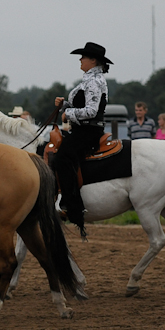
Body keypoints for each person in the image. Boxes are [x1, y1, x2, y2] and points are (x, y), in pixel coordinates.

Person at [52, 41, 113, 237]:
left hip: (88, 132)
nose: (80, 59)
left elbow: (91, 111)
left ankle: (72, 206)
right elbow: (83, 106)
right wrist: (65, 104)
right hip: (83, 130)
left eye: (83, 57)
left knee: (62, 158)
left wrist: (67, 113)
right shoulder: (89, 79)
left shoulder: (94, 81)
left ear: (93, 60)